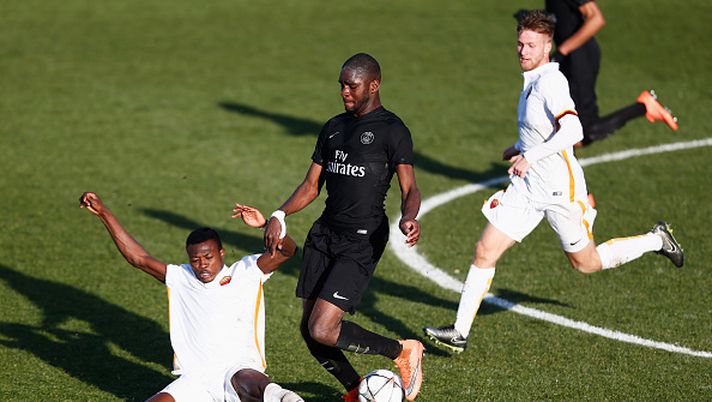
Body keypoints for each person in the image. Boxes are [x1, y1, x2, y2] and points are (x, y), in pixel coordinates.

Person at [422, 10, 684, 354]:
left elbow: (574, 131)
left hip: (560, 189)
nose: (523, 51)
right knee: (485, 250)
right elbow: (542, 128)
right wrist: (520, 148)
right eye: (519, 43)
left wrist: (530, 155)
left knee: (585, 264)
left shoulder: (551, 82)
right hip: (528, 187)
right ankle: (459, 332)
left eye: (531, 45)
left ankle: (655, 239)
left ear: (547, 47)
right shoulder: (530, 79)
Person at [262, 53, 424, 401]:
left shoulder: (392, 130)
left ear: (374, 85)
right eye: (341, 85)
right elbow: (310, 186)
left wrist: (410, 216)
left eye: (352, 85)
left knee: (323, 327)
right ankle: (354, 391)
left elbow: (410, 188)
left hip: (362, 239)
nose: (344, 92)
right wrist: (279, 214)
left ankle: (401, 350)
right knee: (309, 330)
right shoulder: (334, 127)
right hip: (324, 235)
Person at [79, 192, 304, 402]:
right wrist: (103, 212)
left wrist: (267, 224)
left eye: (208, 257)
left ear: (221, 253)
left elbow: (287, 251)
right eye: (196, 260)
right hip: (196, 379)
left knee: (249, 382)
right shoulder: (180, 277)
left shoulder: (246, 271)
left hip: (237, 368)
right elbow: (138, 258)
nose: (202, 265)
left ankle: (282, 398)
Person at [522, 1, 679, 146]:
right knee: (560, 121)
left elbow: (596, 19)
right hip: (569, 59)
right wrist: (537, 19)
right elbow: (564, 17)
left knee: (584, 132)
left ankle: (644, 106)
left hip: (580, 59)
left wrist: (562, 51)